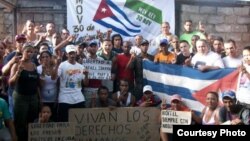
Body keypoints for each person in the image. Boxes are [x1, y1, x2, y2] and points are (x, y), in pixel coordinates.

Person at [9, 44, 40, 141]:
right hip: (20, 98)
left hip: (33, 97)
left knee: (33, 122)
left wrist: (40, 98)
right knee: (20, 123)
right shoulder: (17, 64)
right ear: (23, 52)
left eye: (32, 52)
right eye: (28, 51)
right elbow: (11, 83)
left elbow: (37, 84)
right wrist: (18, 72)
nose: (30, 54)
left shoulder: (34, 65)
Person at [56, 44, 89, 122]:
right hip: (65, 98)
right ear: (66, 54)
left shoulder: (81, 67)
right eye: (70, 53)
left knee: (80, 122)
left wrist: (86, 75)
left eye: (73, 53)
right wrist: (57, 64)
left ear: (76, 53)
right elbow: (54, 77)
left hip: (78, 98)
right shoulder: (62, 65)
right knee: (65, 122)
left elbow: (86, 84)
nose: (72, 55)